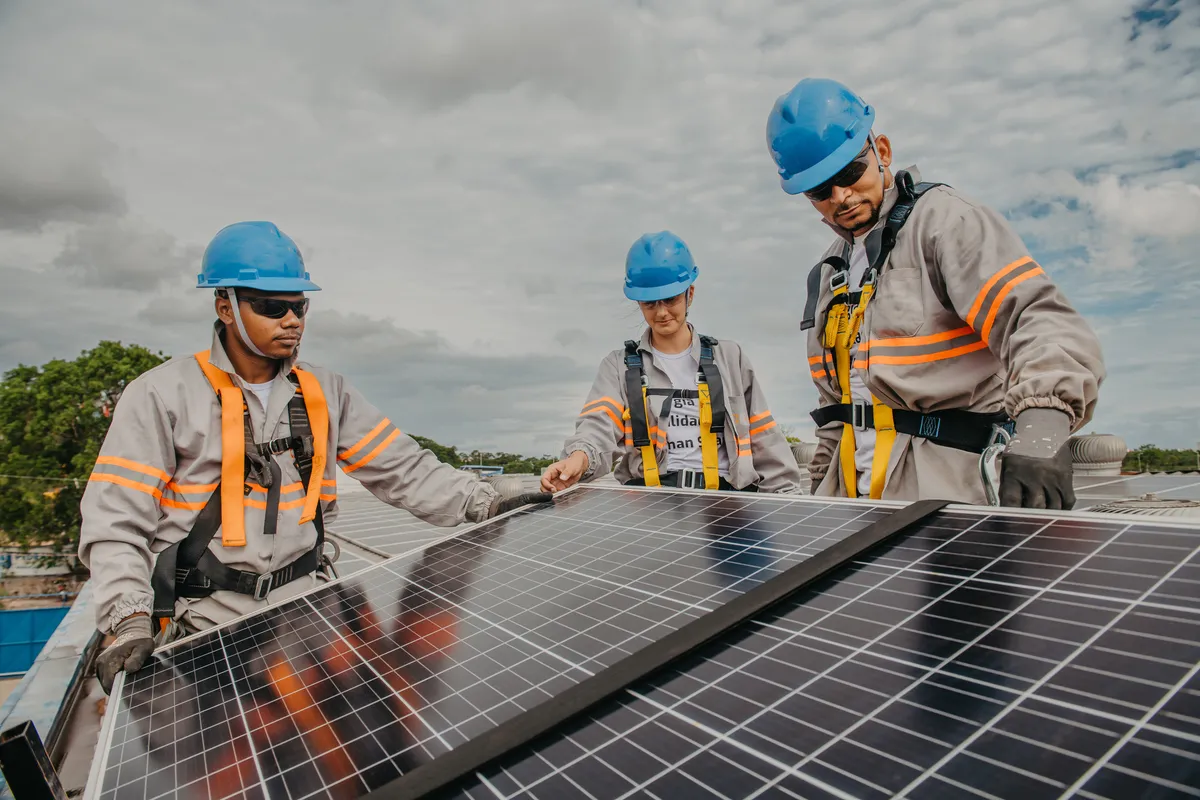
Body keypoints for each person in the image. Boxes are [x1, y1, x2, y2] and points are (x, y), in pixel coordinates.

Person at [79, 220, 550, 693]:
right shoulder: (163, 395)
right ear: (225, 307)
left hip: (305, 618)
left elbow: (404, 470)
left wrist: (484, 500)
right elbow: (116, 521)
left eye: (299, 306)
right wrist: (131, 620)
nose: (292, 320)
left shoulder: (325, 393)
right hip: (204, 624)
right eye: (271, 307)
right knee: (225, 761)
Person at [764, 78, 1105, 508]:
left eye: (850, 173)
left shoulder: (947, 223)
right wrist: (820, 492)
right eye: (819, 191)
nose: (841, 196)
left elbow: (1037, 321)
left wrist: (1040, 430)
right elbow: (835, 406)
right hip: (851, 500)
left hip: (941, 495)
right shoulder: (827, 274)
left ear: (882, 151)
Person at [541, 231, 803, 494]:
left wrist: (789, 502)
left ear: (690, 293)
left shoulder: (729, 357)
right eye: (650, 303)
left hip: (727, 504)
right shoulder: (618, 366)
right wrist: (578, 458)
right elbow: (597, 426)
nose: (662, 312)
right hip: (651, 504)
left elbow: (765, 438)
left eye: (670, 299)